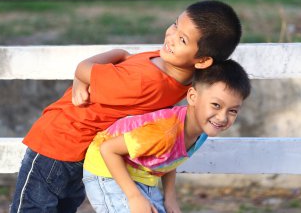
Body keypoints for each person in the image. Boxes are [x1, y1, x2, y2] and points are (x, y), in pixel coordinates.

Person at [10, 0, 242, 212]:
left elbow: (97, 65)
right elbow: (84, 69)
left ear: (202, 60)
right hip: (59, 141)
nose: (171, 37)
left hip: (77, 147)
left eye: (182, 40)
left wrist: (95, 69)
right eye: (174, 25)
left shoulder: (157, 75)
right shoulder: (159, 78)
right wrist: (85, 76)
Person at [83, 59, 251, 213]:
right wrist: (134, 196)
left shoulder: (200, 132)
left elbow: (170, 158)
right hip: (106, 171)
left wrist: (170, 198)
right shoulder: (165, 131)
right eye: (216, 105)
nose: (222, 117)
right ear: (192, 97)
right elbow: (108, 149)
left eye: (233, 111)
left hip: (143, 175)